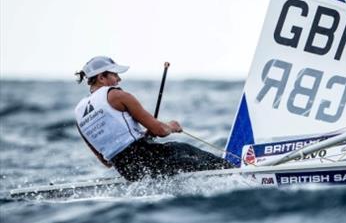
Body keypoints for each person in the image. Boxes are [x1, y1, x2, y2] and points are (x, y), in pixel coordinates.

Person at [74, 56, 233, 181]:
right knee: (184, 149)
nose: (119, 79)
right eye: (115, 74)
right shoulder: (117, 95)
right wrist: (171, 126)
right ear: (102, 77)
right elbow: (161, 131)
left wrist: (141, 137)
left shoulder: (79, 112)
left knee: (177, 150)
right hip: (150, 160)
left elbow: (106, 161)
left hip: (129, 173)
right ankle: (235, 172)